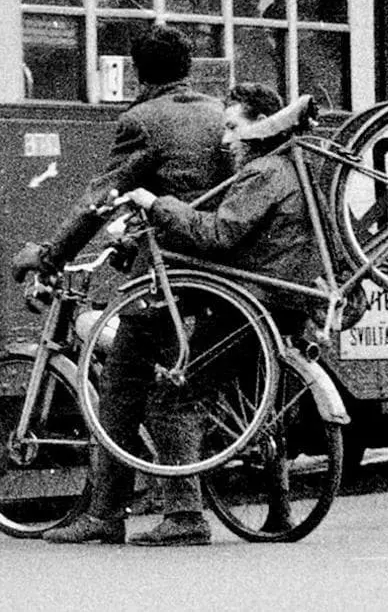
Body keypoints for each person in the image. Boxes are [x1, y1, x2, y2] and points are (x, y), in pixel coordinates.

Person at [8, 24, 225, 547]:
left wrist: (51, 254)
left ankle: (129, 514)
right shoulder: (215, 114)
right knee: (175, 383)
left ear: (135, 71)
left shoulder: (141, 121)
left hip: (164, 273)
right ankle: (174, 510)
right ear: (188, 67)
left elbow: (101, 198)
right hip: (216, 271)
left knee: (123, 387)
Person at [109, 80, 335, 548]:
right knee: (264, 407)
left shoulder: (263, 173)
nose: (225, 139)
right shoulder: (297, 168)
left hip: (250, 304)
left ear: (260, 126)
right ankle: (278, 511)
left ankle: (185, 516)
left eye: (233, 127)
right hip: (285, 306)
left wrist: (157, 203)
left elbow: (218, 235)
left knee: (172, 396)